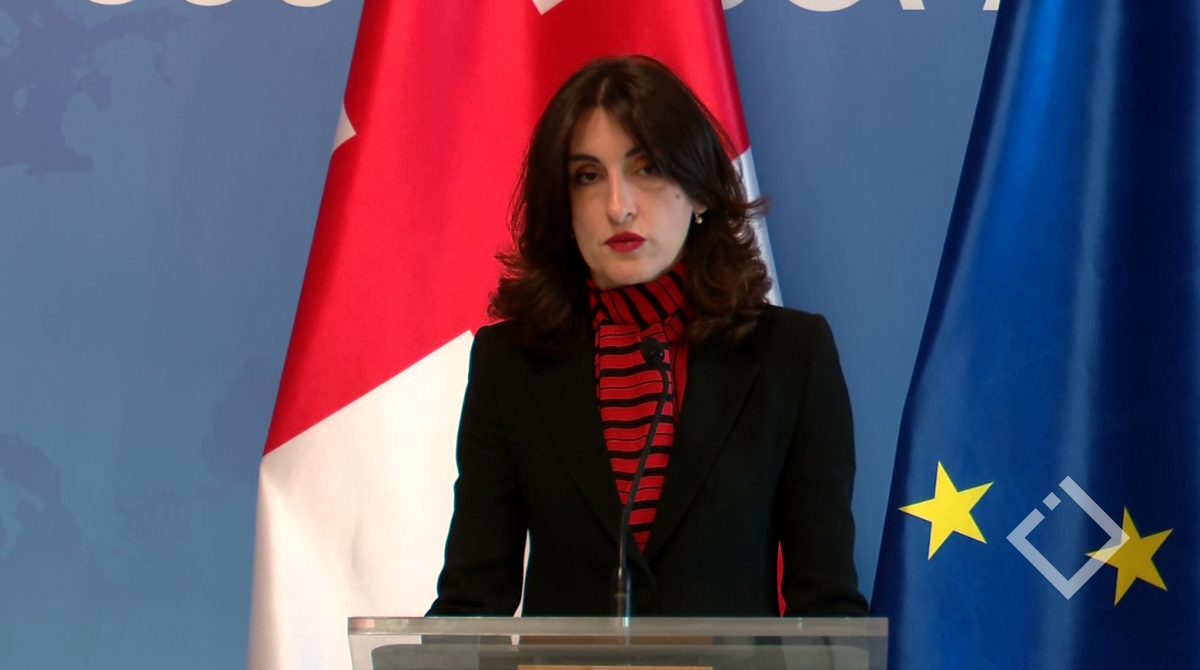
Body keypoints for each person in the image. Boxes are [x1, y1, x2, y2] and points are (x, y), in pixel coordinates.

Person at [428, 55, 867, 618]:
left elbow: (828, 610)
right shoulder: (509, 364)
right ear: (563, 206)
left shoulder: (791, 358)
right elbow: (471, 607)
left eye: (648, 168)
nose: (619, 206)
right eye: (588, 177)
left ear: (701, 190)